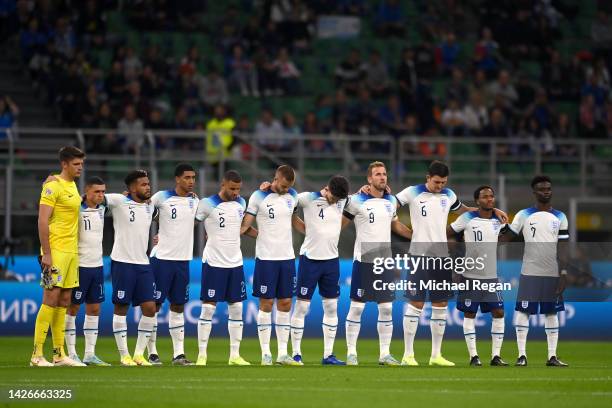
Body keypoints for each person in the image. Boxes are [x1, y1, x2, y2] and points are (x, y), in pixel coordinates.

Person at [394, 161, 507, 366]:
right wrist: (408, 233)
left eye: (443, 182)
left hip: (442, 258)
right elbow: (388, 206)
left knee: (440, 305)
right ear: (428, 177)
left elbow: (465, 210)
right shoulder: (412, 192)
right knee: (417, 304)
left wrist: (493, 210)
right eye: (436, 182)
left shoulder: (449, 194)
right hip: (418, 256)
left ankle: (436, 355)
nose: (439, 186)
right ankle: (408, 355)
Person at [343, 162, 412, 366]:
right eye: (377, 174)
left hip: (384, 263)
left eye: (384, 174)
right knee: (357, 308)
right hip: (363, 262)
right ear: (369, 179)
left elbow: (396, 225)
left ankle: (384, 354)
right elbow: (340, 221)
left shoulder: (391, 200)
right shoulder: (356, 201)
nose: (382, 177)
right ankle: (351, 353)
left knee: (387, 309)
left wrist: (415, 235)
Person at [240, 165, 305, 366]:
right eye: (284, 186)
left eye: (289, 187)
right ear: (275, 179)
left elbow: (295, 221)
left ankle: (283, 354)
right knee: (266, 303)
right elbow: (245, 224)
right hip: (266, 258)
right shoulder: (258, 196)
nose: (286, 189)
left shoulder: (292, 196)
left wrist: (314, 231)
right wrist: (255, 235)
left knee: (285, 303)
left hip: (287, 258)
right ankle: (266, 354)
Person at [506, 175, 569, 367]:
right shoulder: (523, 215)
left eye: (549, 188)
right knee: (524, 312)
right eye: (542, 189)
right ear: (534, 192)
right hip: (530, 271)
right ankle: (522, 356)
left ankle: (552, 356)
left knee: (551, 313)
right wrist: (500, 224)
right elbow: (507, 238)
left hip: (552, 272)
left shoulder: (560, 217)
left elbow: (563, 247)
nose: (546, 192)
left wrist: (564, 272)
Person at [32, 146, 86, 367]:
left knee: (64, 300)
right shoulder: (52, 186)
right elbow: (42, 220)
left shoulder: (72, 185)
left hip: (71, 251)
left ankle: (58, 354)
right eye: (76, 164)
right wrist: (47, 253)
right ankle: (36, 355)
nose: (80, 167)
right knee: (50, 299)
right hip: (55, 251)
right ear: (64, 164)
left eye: (81, 164)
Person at [195, 170, 257, 366]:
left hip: (235, 263)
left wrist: (266, 235)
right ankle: (202, 355)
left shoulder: (241, 203)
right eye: (232, 188)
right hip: (214, 262)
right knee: (207, 309)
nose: (236, 192)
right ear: (223, 184)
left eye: (238, 189)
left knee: (237, 308)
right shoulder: (207, 203)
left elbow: (241, 229)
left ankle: (234, 356)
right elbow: (189, 223)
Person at [447, 185, 508, 367]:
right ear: (477, 201)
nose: (489, 199)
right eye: (485, 197)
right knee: (470, 313)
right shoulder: (466, 218)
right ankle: (473, 356)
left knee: (499, 312)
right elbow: (447, 235)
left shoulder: (500, 220)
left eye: (491, 196)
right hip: (469, 275)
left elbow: (508, 237)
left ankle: (496, 356)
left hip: (491, 276)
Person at [147, 164, 199, 365]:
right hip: (162, 260)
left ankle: (179, 354)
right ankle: (152, 352)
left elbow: (208, 215)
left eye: (193, 177)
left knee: (178, 305)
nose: (191, 181)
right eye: (187, 177)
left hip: (182, 261)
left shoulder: (195, 201)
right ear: (177, 179)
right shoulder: (161, 197)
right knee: (154, 306)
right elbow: (142, 211)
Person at [106, 170, 156, 366]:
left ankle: (138, 354)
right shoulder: (119, 201)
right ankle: (124, 355)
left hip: (143, 264)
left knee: (150, 308)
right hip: (122, 262)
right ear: (132, 188)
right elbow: (94, 198)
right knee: (121, 307)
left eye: (148, 183)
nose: (148, 187)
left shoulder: (150, 207)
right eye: (143, 184)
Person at [65, 176, 110, 366]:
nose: (100, 195)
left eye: (102, 192)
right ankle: (72, 353)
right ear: (87, 192)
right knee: (73, 308)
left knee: (94, 309)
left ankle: (89, 354)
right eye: (96, 192)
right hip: (80, 266)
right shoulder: (76, 209)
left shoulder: (103, 208)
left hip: (97, 266)